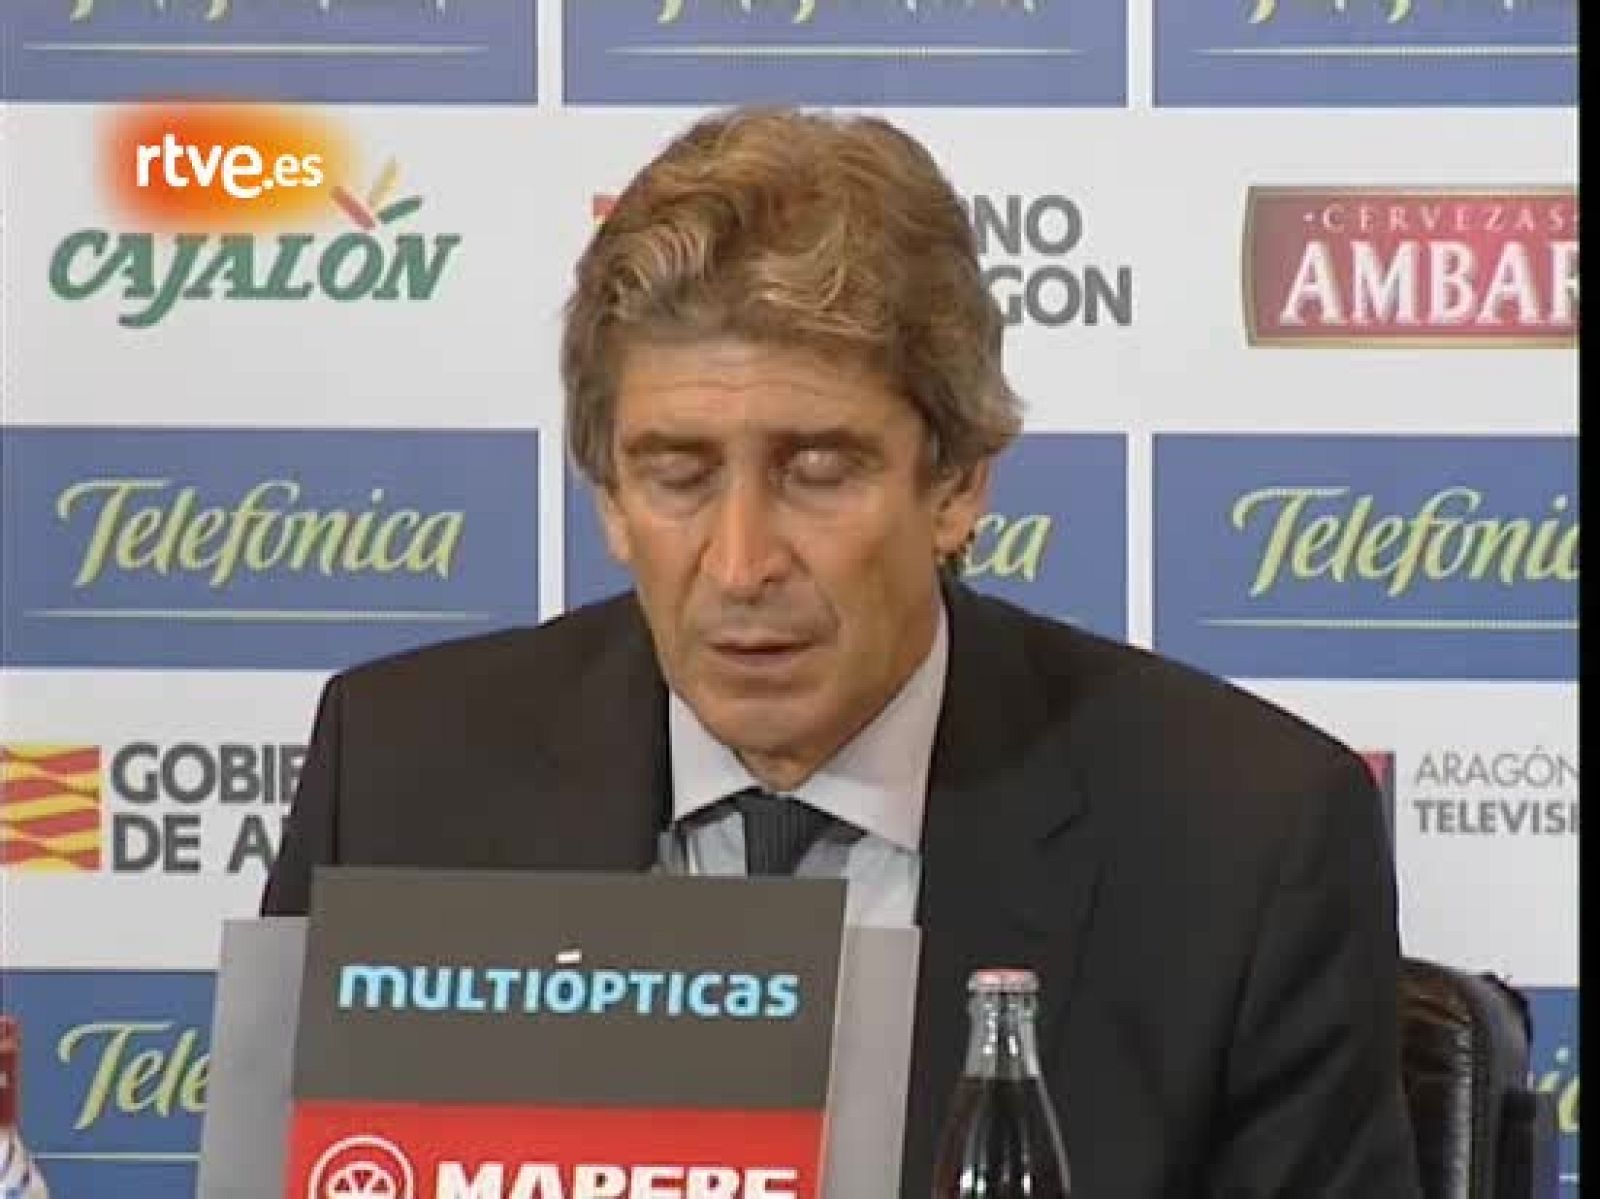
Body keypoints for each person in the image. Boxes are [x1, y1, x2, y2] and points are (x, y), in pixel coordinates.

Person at [262, 106, 1423, 1197]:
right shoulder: (400, 781)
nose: (739, 563)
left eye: (817, 470)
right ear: (608, 495)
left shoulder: (1242, 841)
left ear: (956, 482)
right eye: (677, 474)